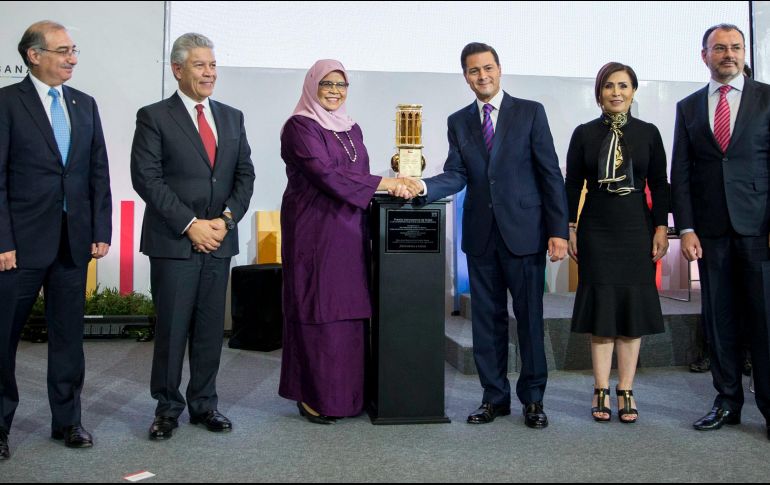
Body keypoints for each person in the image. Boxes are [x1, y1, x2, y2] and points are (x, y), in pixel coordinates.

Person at [400, 42, 568, 428]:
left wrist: (558, 230)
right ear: (466, 77)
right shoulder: (459, 121)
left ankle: (533, 400)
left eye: (488, 68)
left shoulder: (530, 112)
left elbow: (549, 173)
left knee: (529, 320)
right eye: (474, 71)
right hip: (481, 237)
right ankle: (494, 397)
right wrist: (422, 187)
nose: (483, 76)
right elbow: (457, 173)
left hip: (525, 235)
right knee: (486, 324)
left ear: (499, 69)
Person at [130, 33, 255, 440]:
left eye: (213, 65)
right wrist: (191, 224)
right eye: (200, 65)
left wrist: (226, 220)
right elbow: (146, 178)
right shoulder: (154, 116)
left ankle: (205, 405)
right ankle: (167, 409)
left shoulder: (233, 116)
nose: (209, 73)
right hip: (174, 242)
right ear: (177, 69)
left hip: (220, 240)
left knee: (208, 330)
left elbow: (244, 175)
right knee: (171, 330)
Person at [278, 59, 415, 424]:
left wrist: (398, 180)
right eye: (327, 84)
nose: (335, 90)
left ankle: (350, 395)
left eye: (341, 84)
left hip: (351, 228)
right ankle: (313, 395)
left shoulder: (352, 128)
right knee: (319, 308)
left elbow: (360, 173)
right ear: (312, 86)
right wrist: (387, 184)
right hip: (315, 231)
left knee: (351, 309)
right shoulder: (299, 126)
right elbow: (326, 174)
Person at [0, 20, 112, 458]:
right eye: (63, 50)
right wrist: (2, 240)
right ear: (33, 55)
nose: (72, 58)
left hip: (73, 243)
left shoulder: (85, 104)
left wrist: (100, 230)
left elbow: (97, 172)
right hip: (19, 246)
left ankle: (68, 422)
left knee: (68, 339)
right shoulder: (7, 103)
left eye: (74, 50)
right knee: (4, 338)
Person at [671, 24, 770, 439]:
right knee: (720, 321)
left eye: (735, 47)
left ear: (744, 53)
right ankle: (727, 401)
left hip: (759, 232)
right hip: (710, 235)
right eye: (719, 48)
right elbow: (683, 173)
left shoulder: (768, 98)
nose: (728, 54)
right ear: (704, 55)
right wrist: (687, 228)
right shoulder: (689, 106)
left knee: (764, 322)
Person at [565, 62, 670, 423]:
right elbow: (571, 184)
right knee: (603, 311)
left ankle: (625, 389)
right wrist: (570, 226)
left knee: (630, 311)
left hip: (636, 228)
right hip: (597, 227)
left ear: (634, 91)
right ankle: (600, 388)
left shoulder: (649, 133)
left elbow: (660, 183)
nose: (616, 92)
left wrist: (661, 228)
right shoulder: (583, 134)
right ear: (599, 93)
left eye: (623, 86)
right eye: (609, 86)